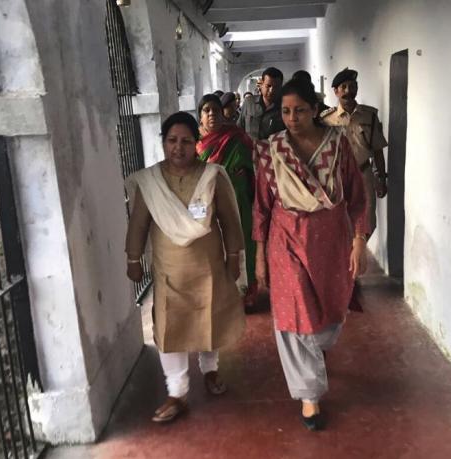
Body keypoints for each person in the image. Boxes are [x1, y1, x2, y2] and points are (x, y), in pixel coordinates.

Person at [252, 78, 369, 431]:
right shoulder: (271, 150)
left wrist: (359, 241)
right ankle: (309, 397)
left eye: (300, 111)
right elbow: (262, 206)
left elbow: (356, 196)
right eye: (286, 111)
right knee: (294, 314)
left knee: (328, 317)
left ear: (315, 110)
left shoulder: (338, 144)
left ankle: (315, 352)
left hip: (330, 242)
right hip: (286, 239)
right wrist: (259, 255)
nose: (292, 118)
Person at [125, 112, 245, 423]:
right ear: (163, 142)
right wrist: (133, 259)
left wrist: (234, 256)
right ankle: (176, 393)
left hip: (208, 267)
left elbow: (230, 220)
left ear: (197, 143)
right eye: (172, 140)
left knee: (209, 319)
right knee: (169, 328)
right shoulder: (150, 182)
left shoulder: (212, 176)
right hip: (169, 272)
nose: (178, 147)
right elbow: (138, 224)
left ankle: (210, 370)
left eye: (186, 141)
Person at [196, 94, 258, 310]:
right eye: (206, 110)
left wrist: (239, 176)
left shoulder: (236, 138)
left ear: (222, 114)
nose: (212, 114)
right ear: (200, 117)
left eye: (216, 110)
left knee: (243, 246)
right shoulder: (196, 145)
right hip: (208, 208)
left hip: (238, 203)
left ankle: (245, 293)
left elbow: (253, 167)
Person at [320, 68, 388, 235]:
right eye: (343, 87)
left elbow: (377, 150)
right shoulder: (326, 120)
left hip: (363, 173)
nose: (348, 91)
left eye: (352, 86)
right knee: (338, 222)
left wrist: (381, 177)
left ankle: (358, 247)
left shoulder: (369, 116)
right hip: (336, 177)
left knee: (367, 223)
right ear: (336, 91)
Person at [238, 67, 285, 140]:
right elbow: (239, 128)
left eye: (276, 87)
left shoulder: (284, 107)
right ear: (261, 84)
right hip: (250, 146)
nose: (271, 90)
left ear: (281, 87)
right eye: (268, 86)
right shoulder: (249, 103)